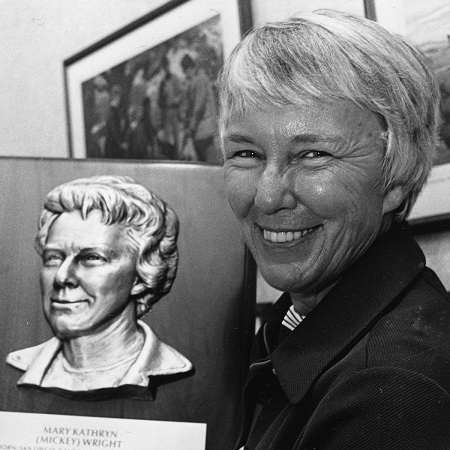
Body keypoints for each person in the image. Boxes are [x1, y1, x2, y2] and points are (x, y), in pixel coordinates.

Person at [218, 10, 450, 449]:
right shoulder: (298, 321)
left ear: (395, 181)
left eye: (313, 155)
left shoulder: (391, 389)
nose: (267, 197)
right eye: (246, 153)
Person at [6, 176, 192, 400]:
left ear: (141, 277)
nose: (62, 277)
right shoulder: (21, 364)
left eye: (92, 258)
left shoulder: (170, 367)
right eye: (54, 257)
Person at [181, 53, 220, 163]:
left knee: (210, 164)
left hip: (204, 130)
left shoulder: (200, 80)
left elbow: (199, 107)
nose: (185, 74)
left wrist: (191, 127)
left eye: (185, 71)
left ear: (190, 68)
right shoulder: (195, 81)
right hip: (199, 131)